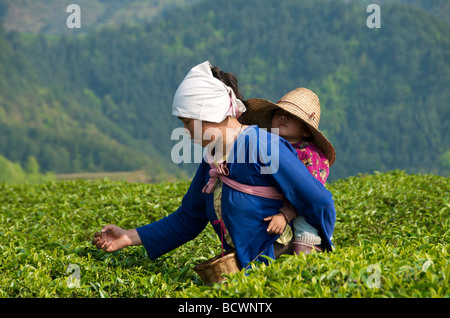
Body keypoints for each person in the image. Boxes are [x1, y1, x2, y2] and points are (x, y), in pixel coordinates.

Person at [92, 62, 336, 270]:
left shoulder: (263, 146)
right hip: (245, 274)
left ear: (211, 112)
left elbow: (319, 200)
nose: (187, 132)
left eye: (189, 123)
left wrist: (313, 251)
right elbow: (187, 219)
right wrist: (128, 236)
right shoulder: (212, 160)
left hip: (278, 272)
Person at [239, 87, 336, 255]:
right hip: (276, 208)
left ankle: (308, 256)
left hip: (301, 211)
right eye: (279, 113)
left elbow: (310, 196)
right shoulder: (267, 148)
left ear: (306, 130)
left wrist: (286, 214)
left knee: (305, 230)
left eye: (292, 116)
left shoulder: (310, 154)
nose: (283, 117)